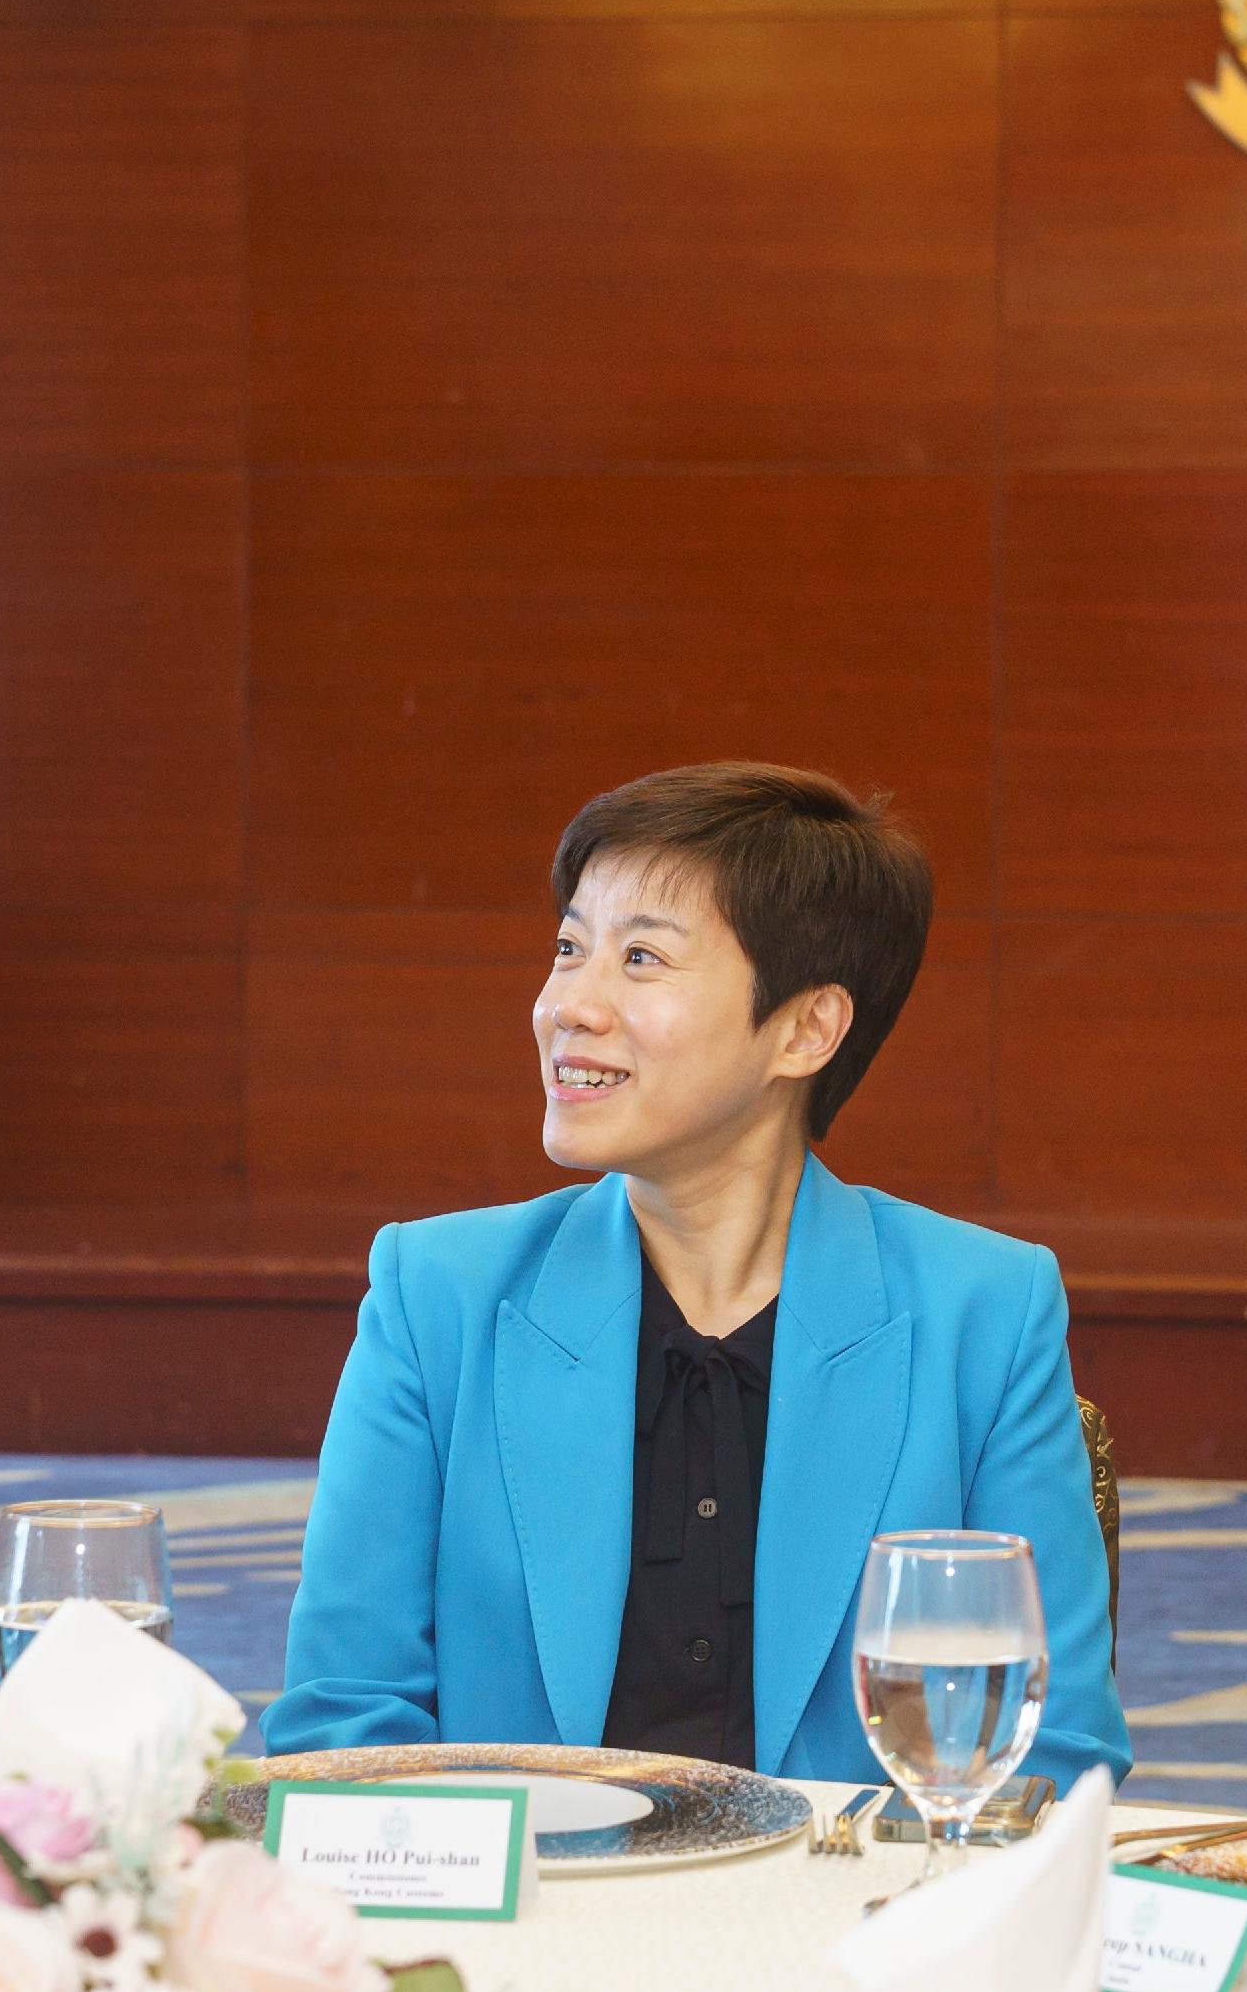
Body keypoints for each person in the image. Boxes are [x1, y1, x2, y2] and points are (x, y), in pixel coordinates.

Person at [264, 763, 1130, 1790]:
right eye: (568, 948)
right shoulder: (438, 1295)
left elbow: (1051, 1753)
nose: (567, 1007)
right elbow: (341, 1724)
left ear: (806, 1029)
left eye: (639, 959)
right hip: (525, 1927)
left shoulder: (981, 1314)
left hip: (852, 1932)